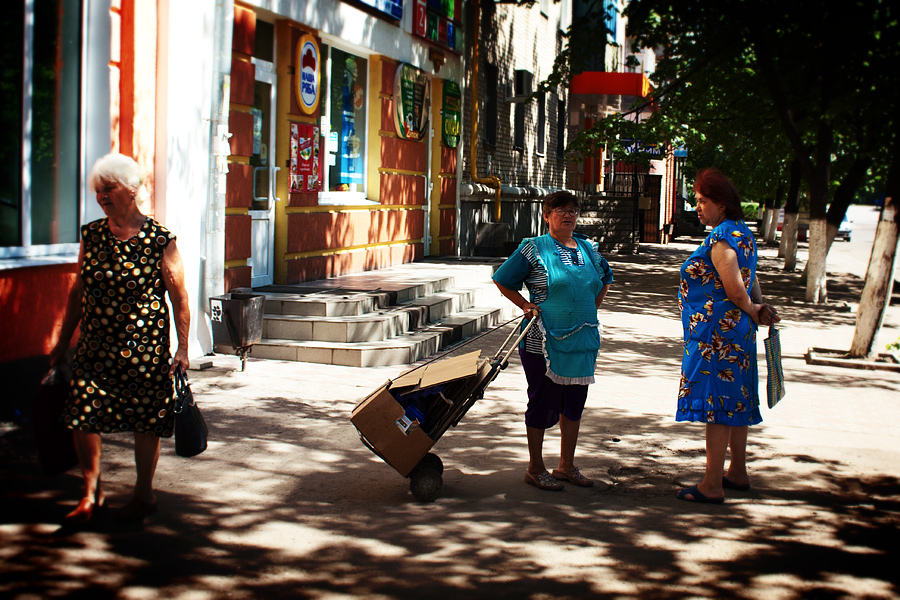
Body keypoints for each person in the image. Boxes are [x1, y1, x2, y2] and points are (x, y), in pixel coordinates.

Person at [49, 153, 191, 523]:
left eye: (108, 189)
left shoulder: (160, 239)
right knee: (84, 416)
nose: (101, 196)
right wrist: (62, 343)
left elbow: (179, 298)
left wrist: (184, 349)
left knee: (146, 421)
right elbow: (79, 291)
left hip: (145, 350)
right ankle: (91, 494)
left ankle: (144, 493)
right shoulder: (92, 234)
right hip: (95, 347)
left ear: (131, 189)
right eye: (97, 190)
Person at [492, 191, 614, 491]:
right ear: (546, 216)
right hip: (542, 341)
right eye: (559, 210)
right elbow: (502, 279)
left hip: (583, 340)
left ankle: (566, 466)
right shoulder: (533, 248)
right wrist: (525, 305)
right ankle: (535, 468)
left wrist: (587, 308)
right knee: (542, 401)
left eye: (572, 210)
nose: (567, 215)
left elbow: (605, 278)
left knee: (574, 403)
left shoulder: (589, 249)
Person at [676, 168, 779, 504]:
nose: (698, 206)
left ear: (721, 204)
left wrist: (751, 307)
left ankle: (711, 484)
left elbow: (736, 289)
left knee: (717, 405)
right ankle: (736, 472)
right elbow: (751, 282)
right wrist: (758, 307)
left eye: (703, 201)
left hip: (716, 337)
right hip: (736, 334)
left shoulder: (721, 239)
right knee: (735, 399)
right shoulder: (742, 233)